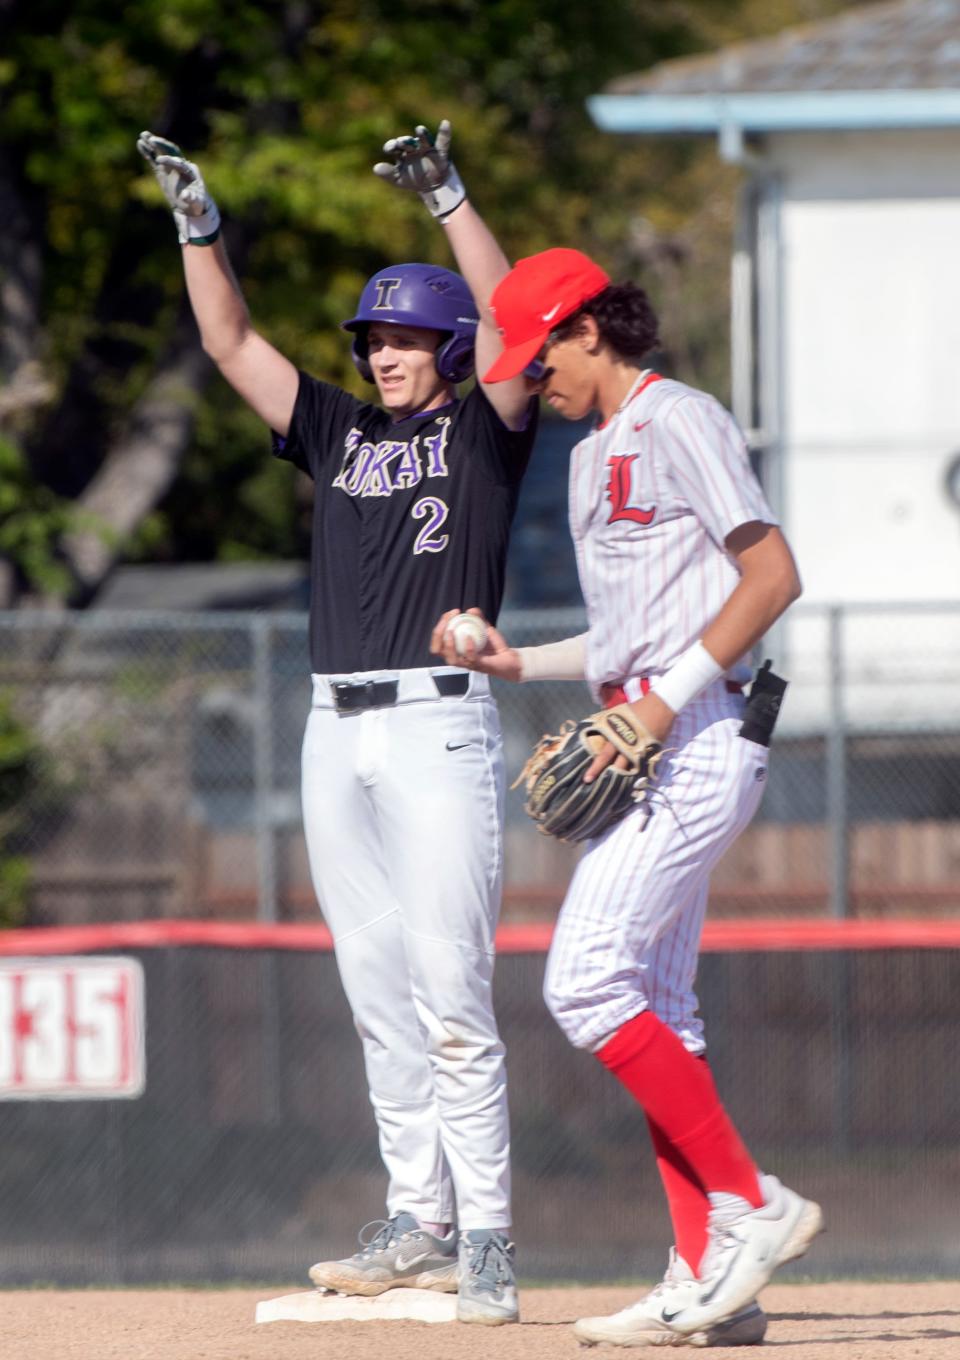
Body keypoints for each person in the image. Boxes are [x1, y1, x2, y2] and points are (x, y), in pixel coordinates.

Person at [136, 120, 538, 1325]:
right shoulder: (342, 431)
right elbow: (229, 339)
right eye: (374, 338)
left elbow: (519, 326)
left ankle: (493, 1243)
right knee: (374, 982)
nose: (384, 353)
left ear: (450, 349)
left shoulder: (483, 434)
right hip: (332, 725)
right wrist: (198, 228)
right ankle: (419, 1220)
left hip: (435, 724)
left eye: (407, 336)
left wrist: (452, 203)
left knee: (449, 986)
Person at [432, 246, 823, 1346]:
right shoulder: (587, 451)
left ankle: (754, 1206)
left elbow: (774, 577)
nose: (526, 375)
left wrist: (658, 708)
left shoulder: (681, 417)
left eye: (534, 351)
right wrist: (522, 665)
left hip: (698, 735)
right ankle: (712, 1281)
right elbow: (627, 636)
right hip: (649, 734)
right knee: (663, 1011)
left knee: (585, 982)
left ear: (585, 329)